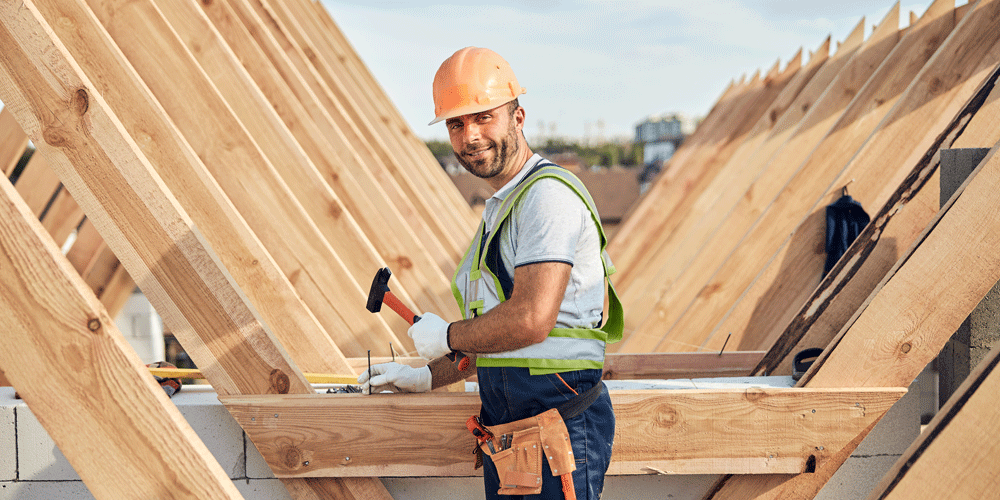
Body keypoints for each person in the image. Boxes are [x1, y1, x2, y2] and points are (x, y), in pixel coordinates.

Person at [358, 46, 623, 500]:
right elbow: (500, 339)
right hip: (515, 431)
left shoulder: (546, 198)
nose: (470, 136)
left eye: (484, 117)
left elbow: (531, 321)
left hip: (554, 423)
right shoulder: (504, 206)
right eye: (457, 124)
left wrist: (448, 336)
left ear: (518, 118)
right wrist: (430, 375)